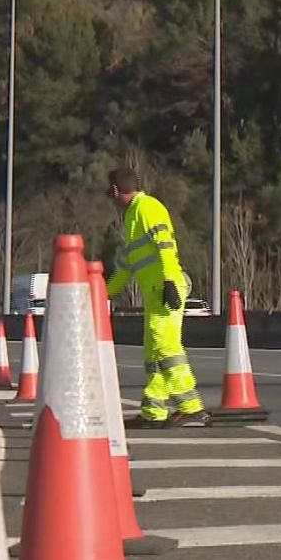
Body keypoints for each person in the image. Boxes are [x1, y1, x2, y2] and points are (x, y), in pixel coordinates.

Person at [104, 167, 207, 428]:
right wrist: (104, 294)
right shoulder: (132, 218)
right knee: (153, 355)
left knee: (166, 349)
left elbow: (166, 246)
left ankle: (191, 406)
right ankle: (154, 412)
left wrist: (171, 281)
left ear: (115, 190)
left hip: (164, 290)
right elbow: (126, 266)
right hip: (155, 293)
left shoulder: (147, 207)